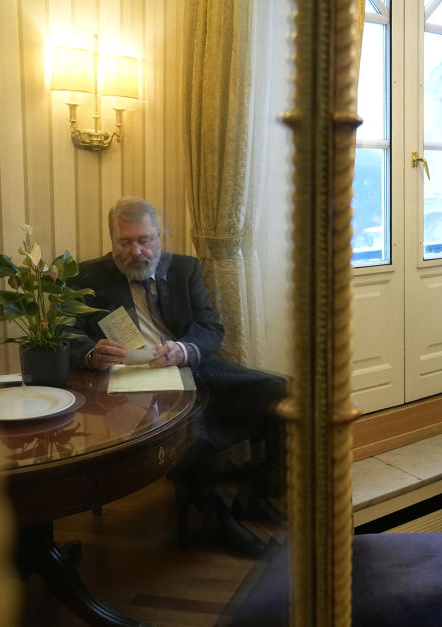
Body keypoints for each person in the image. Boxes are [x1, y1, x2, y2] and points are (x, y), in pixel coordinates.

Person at [70, 197, 286, 559]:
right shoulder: (88, 275)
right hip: (133, 383)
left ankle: (256, 496)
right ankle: (221, 525)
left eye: (145, 240)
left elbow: (211, 326)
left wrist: (185, 349)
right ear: (112, 239)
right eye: (125, 242)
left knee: (281, 391)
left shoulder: (185, 268)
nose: (136, 250)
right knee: (188, 436)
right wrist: (91, 352)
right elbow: (69, 334)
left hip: (190, 367)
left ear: (160, 236)